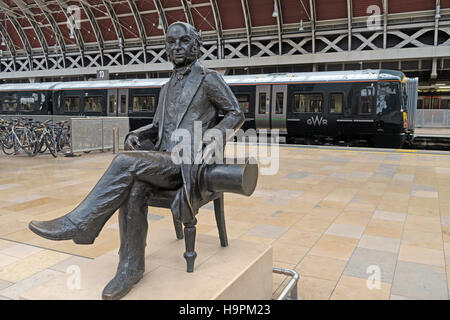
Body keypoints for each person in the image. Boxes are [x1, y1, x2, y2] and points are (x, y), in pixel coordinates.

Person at [28, 21, 244, 300]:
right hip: (163, 160)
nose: (176, 47)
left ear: (196, 45)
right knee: (134, 188)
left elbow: (235, 114)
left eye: (183, 41)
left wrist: (212, 135)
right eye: (170, 42)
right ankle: (131, 268)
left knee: (124, 162)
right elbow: (157, 126)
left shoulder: (209, 79)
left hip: (190, 163)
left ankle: (81, 223)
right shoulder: (166, 87)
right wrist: (137, 133)